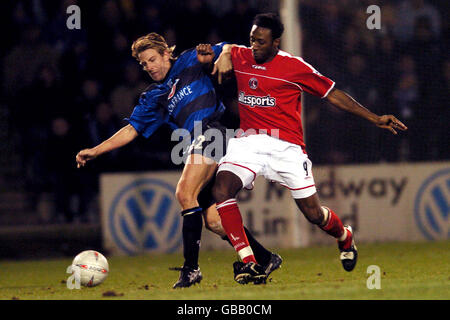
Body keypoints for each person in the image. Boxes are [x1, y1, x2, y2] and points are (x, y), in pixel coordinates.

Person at [210, 13, 408, 284]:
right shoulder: (241, 55)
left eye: (260, 41)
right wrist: (225, 51)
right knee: (221, 190)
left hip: (287, 147)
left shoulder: (294, 67)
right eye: (251, 40)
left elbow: (334, 94)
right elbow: (220, 48)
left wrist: (374, 118)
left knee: (314, 214)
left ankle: (344, 236)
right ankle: (250, 262)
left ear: (276, 42)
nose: (254, 46)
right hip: (248, 141)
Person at [75, 33, 282, 288]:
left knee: (185, 193)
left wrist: (226, 54)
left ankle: (191, 269)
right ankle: (266, 258)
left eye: (152, 59)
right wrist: (96, 150)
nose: (149, 67)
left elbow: (228, 48)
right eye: (143, 64)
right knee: (215, 221)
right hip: (197, 142)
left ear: (165, 54)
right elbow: (131, 130)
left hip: (214, 130)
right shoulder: (155, 96)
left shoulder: (189, 60)